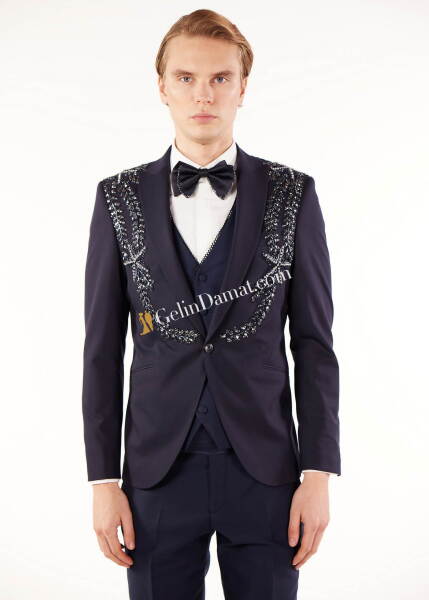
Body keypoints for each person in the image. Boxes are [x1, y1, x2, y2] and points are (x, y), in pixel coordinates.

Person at [82, 8, 341, 599]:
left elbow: (314, 344)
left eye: (221, 78)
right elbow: (101, 349)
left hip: (268, 473)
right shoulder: (117, 198)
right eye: (187, 78)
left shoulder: (293, 194)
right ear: (162, 87)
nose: (204, 94)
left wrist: (318, 473)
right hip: (154, 476)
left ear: (243, 87)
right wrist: (103, 481)